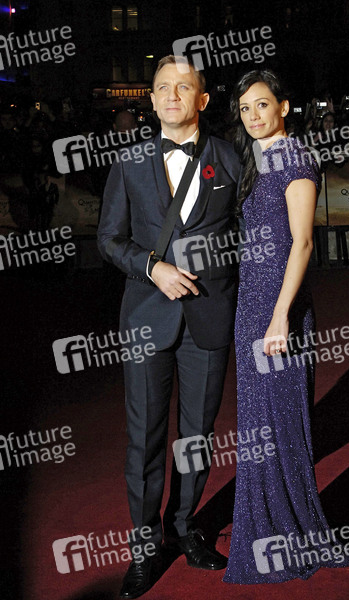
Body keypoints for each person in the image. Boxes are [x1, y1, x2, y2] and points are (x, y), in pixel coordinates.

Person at [223, 69, 349, 585]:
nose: (253, 115)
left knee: (280, 422)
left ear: (284, 107)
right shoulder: (256, 160)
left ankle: (288, 527)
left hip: (280, 309)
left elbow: (301, 243)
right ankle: (263, 524)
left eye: (262, 104)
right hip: (250, 304)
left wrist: (280, 317)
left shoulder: (296, 158)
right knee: (258, 422)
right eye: (245, 108)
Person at [98, 55, 241, 599]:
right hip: (145, 319)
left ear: (202, 99)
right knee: (145, 440)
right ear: (153, 100)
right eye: (163, 87)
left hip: (209, 315)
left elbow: (250, 231)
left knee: (197, 438)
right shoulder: (129, 161)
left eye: (184, 87)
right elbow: (109, 239)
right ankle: (144, 546)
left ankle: (184, 528)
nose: (173, 95)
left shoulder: (229, 156)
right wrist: (151, 267)